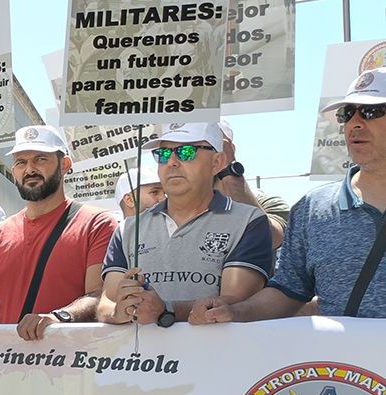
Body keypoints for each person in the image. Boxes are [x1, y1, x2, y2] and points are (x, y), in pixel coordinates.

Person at [195, 68, 386, 336]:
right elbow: (288, 291)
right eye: (347, 113)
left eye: (370, 111)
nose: (353, 123)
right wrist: (235, 312)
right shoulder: (313, 209)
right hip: (347, 376)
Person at [100, 121, 272, 327]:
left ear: (217, 162)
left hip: (216, 354)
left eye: (186, 152)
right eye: (163, 154)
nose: (171, 162)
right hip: (138, 358)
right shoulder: (127, 229)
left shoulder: (248, 221)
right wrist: (117, 313)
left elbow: (235, 303)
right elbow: (106, 302)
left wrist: (166, 309)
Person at [0, 125, 117, 341]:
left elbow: (99, 296)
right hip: (7, 365)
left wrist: (58, 318)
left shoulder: (97, 224)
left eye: (40, 159)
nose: (29, 169)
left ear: (64, 165)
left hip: (72, 365)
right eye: (20, 162)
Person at [216, 119, 289, 249]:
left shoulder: (268, 204)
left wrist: (228, 170)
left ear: (229, 149)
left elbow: (270, 238)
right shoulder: (176, 206)